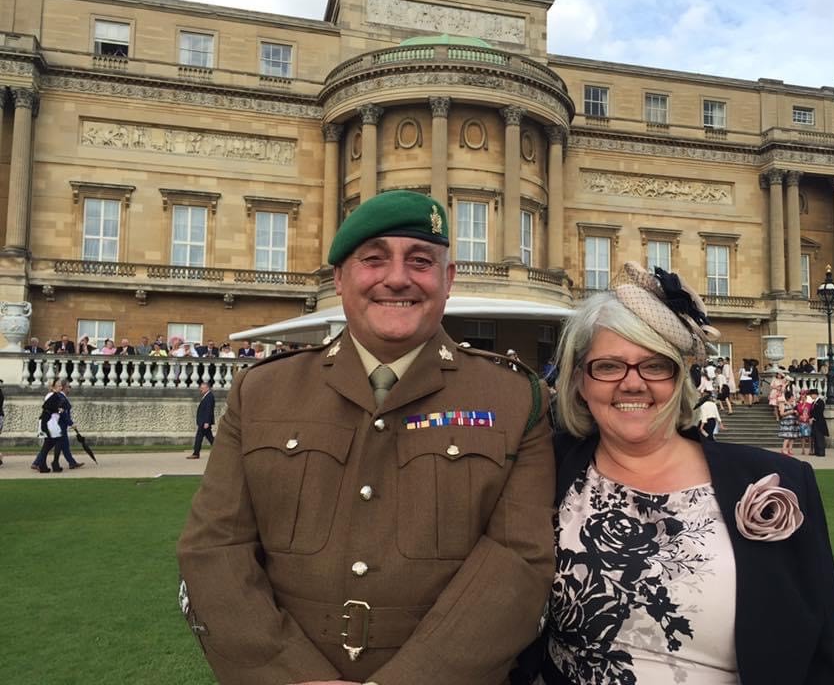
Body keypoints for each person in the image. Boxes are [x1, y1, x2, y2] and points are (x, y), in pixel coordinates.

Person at [177, 189, 555, 684]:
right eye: (373, 259)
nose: (397, 278)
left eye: (420, 261)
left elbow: (519, 563)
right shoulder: (262, 391)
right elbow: (214, 550)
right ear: (339, 278)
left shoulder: (516, 397)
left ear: (448, 280)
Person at [520, 262, 834, 684]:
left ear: (680, 377)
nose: (632, 383)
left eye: (655, 365)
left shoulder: (775, 482)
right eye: (608, 366)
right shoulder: (541, 468)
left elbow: (828, 649)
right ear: (579, 382)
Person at [51, 382, 84, 471]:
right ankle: (38, 462)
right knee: (49, 445)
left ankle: (71, 462)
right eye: (69, 386)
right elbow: (63, 413)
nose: (70, 388)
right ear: (64, 388)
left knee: (65, 445)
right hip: (60, 425)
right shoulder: (61, 397)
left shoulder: (62, 397)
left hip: (62, 425)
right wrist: (71, 423)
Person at [186, 382, 215, 459]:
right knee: (210, 438)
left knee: (200, 437)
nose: (200, 389)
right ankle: (221, 451)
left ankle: (196, 453)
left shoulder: (209, 396)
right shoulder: (207, 396)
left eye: (202, 388)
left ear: (207, 388)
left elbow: (209, 410)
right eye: (200, 388)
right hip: (203, 422)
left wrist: (207, 422)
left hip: (204, 422)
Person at [778, 387, 800, 456]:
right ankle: (784, 449)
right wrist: (790, 412)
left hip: (793, 422)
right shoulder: (783, 404)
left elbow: (796, 412)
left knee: (792, 436)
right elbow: (781, 414)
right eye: (792, 397)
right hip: (786, 422)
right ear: (789, 397)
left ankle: (790, 449)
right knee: (787, 437)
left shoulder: (793, 405)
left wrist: (796, 413)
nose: (793, 398)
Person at [810, 388, 828, 457]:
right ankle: (817, 451)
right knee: (815, 437)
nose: (811, 396)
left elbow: (820, 412)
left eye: (812, 394)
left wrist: (813, 418)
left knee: (820, 437)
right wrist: (810, 418)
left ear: (815, 394)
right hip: (814, 422)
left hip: (819, 422)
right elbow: (811, 412)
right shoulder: (813, 403)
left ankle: (821, 452)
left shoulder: (820, 402)